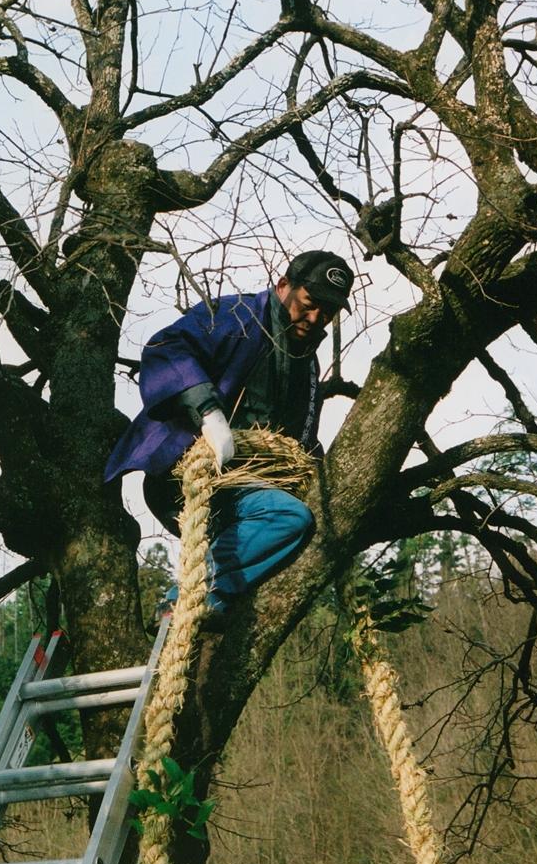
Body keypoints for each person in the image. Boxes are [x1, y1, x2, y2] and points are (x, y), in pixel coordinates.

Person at [104, 251, 355, 625]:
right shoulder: (237, 316)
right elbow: (166, 348)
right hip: (190, 475)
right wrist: (208, 413)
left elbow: (301, 440)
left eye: (327, 312)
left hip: (247, 490)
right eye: (310, 304)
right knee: (289, 517)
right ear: (283, 286)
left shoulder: (307, 364)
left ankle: (210, 607)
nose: (315, 318)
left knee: (292, 522)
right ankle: (184, 599)